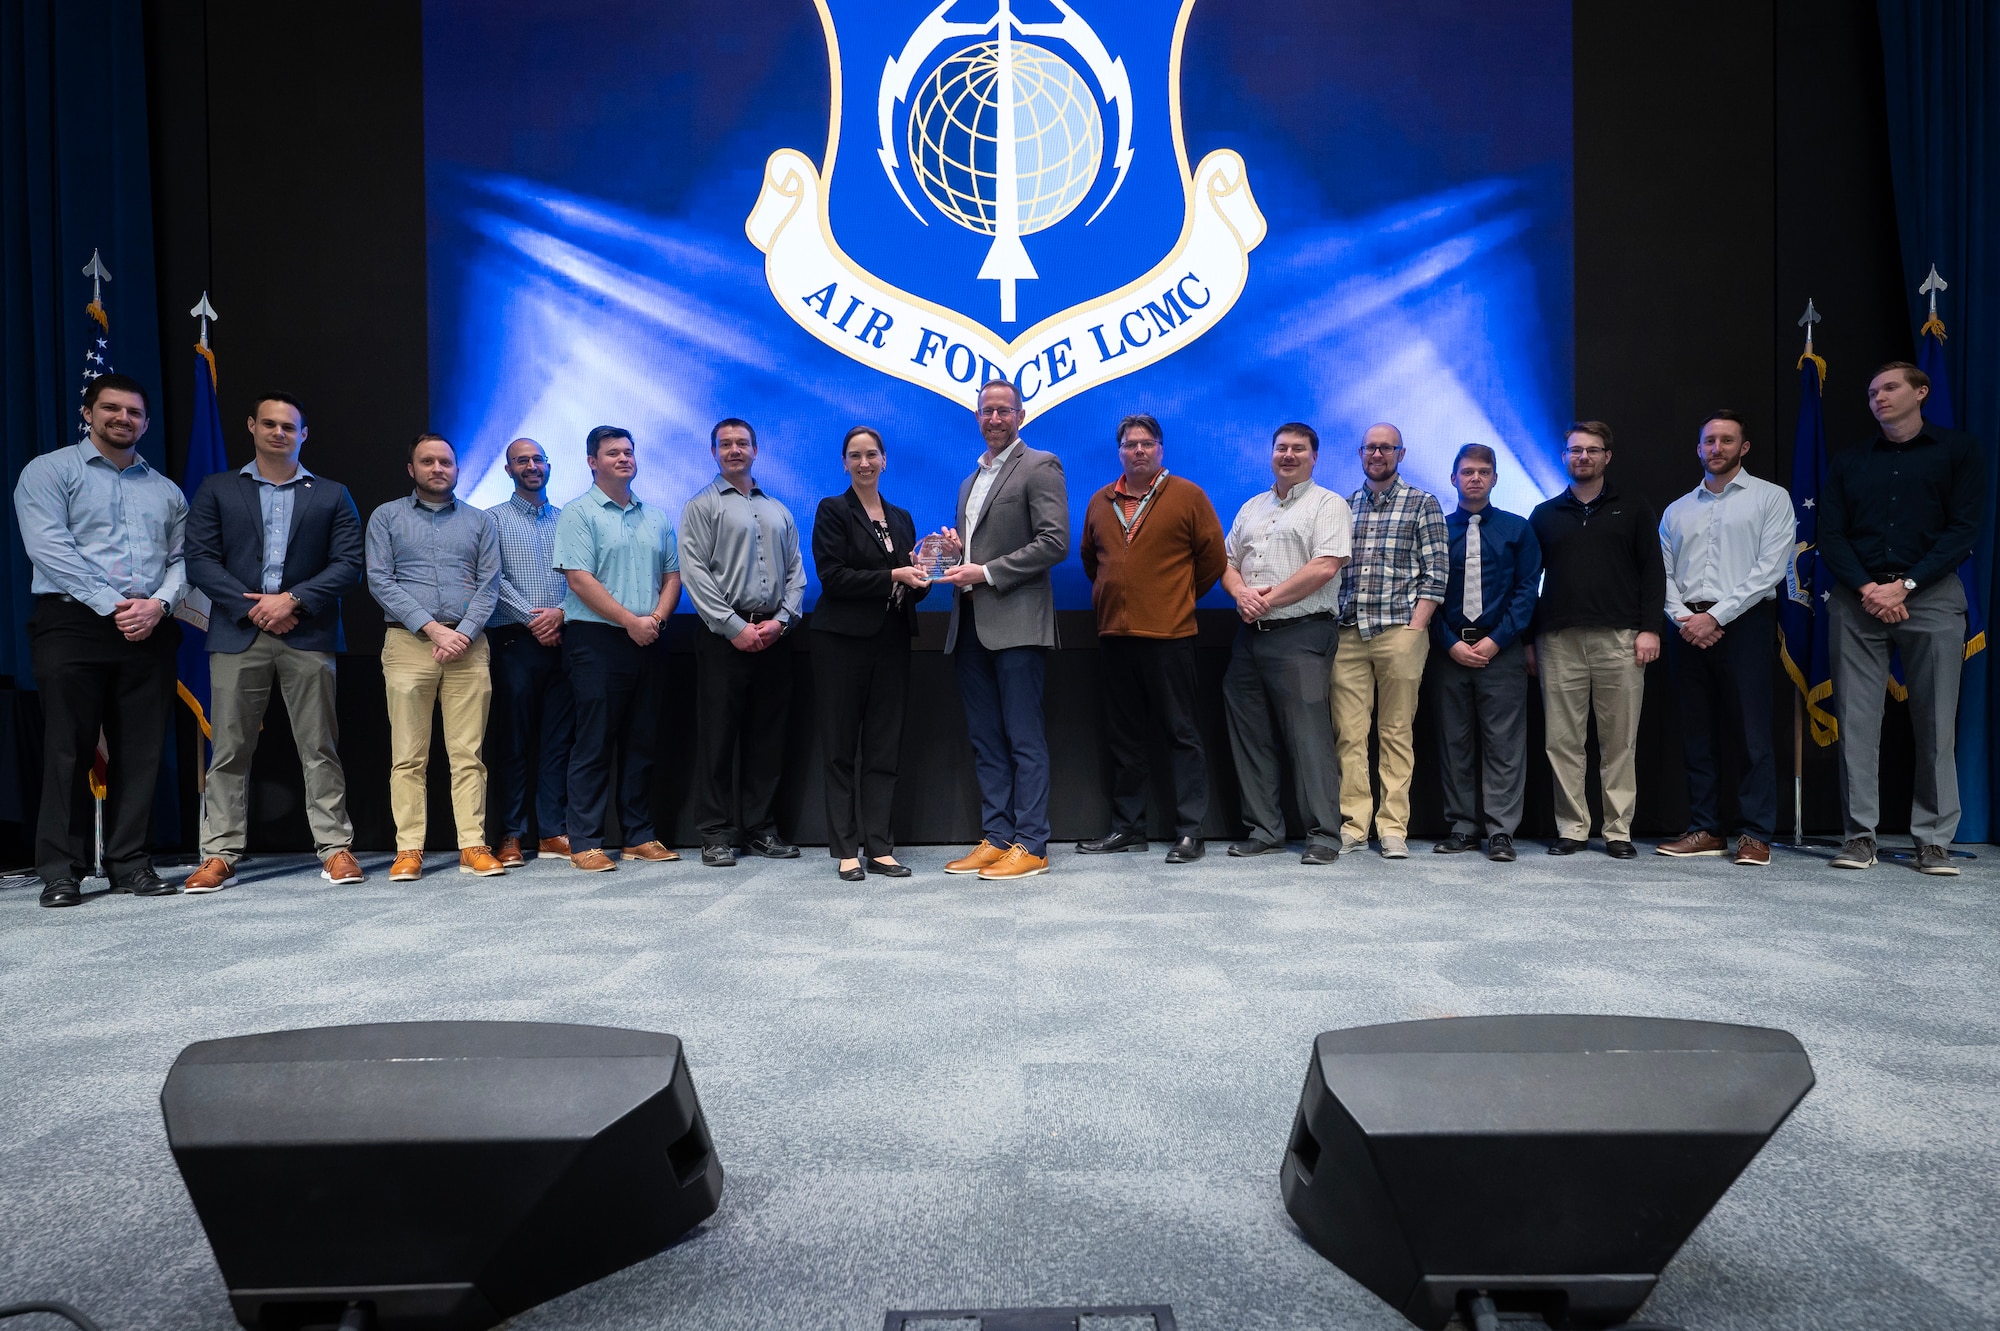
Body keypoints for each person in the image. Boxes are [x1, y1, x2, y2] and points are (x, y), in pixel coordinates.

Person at [13, 373, 186, 907]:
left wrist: (158, 604)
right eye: (111, 409)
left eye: (134, 412)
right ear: (87, 413)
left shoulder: (166, 490)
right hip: (73, 623)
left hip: (149, 626)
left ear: (146, 423)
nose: (123, 419)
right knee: (68, 747)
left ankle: (130, 862)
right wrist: (113, 605)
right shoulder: (48, 471)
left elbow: (180, 561)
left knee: (140, 751)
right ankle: (61, 869)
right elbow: (49, 547)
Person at [182, 392, 366, 893]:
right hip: (237, 635)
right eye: (269, 424)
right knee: (229, 750)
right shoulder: (218, 488)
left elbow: (349, 566)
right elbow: (199, 560)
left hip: (307, 632)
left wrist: (293, 601)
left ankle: (335, 848)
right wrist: (256, 607)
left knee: (319, 746)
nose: (279, 432)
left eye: (289, 426)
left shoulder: (332, 494)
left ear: (304, 434)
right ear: (252, 427)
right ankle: (219, 852)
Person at [1820, 362, 1985, 874]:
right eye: (1872, 392)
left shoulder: (1958, 451)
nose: (1879, 397)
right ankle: (1859, 838)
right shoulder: (1850, 461)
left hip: (1931, 596)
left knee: (1935, 721)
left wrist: (1906, 585)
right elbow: (1831, 534)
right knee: (1857, 722)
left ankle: (1932, 840)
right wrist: (1871, 588)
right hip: (1858, 598)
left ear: (1921, 392)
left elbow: (1964, 529)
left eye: (1890, 388)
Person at [935, 380, 1070, 882]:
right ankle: (997, 837)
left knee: (1023, 737)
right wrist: (954, 554)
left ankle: (1032, 843)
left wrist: (985, 571)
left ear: (1021, 414)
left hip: (1016, 622)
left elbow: (1054, 542)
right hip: (968, 622)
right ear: (976, 416)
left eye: (1003, 410)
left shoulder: (1040, 465)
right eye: (987, 411)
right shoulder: (971, 481)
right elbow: (973, 550)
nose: (995, 418)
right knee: (986, 739)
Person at [1075, 412, 1226, 863]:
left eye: (1146, 443)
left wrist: (1174, 598)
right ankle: (1128, 828)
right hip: (1115, 636)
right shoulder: (1101, 501)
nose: (1137, 451)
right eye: (1129, 444)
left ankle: (1190, 831)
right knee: (1124, 738)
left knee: (1182, 734)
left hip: (1170, 634)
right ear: (1119, 451)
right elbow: (1091, 561)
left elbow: (1213, 560)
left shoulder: (1188, 495)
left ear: (1160, 450)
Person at [1655, 411, 1793, 868]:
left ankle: (1754, 834)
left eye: (1727, 440)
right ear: (1698, 449)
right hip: (1686, 630)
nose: (1717, 448)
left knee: (1752, 732)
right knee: (1697, 732)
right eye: (1709, 441)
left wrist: (1715, 617)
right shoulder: (1677, 509)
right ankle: (1706, 829)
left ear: (1744, 447)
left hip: (1745, 623)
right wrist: (1683, 619)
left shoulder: (1771, 499)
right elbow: (1664, 573)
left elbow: (1770, 569)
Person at [365, 432, 504, 881]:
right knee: (408, 757)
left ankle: (473, 845)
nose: (437, 468)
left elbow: (490, 586)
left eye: (445, 461)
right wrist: (432, 628)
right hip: (408, 645)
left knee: (468, 755)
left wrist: (460, 634)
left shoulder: (481, 522)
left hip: (468, 646)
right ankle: (408, 849)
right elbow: (380, 580)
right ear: (412, 469)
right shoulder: (386, 517)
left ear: (457, 468)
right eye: (427, 462)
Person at [1528, 421, 1665, 858]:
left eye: (1592, 450)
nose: (1582, 457)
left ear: (1607, 456)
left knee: (1618, 740)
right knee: (1562, 740)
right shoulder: (1544, 514)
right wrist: (1529, 640)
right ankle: (1571, 827)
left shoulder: (1635, 508)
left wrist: (1650, 629)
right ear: (1564, 457)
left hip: (1621, 639)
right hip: (1558, 641)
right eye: (1574, 450)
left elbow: (1653, 572)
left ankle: (1618, 830)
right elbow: (1528, 582)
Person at [1219, 422, 1353, 865]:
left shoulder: (1328, 504)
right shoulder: (1252, 507)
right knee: (1250, 735)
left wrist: (1266, 600)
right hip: (1249, 638)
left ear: (1315, 456)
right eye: (1281, 448)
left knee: (1308, 739)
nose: (1289, 455)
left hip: (1303, 633)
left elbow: (1325, 567)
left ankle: (1323, 836)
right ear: (1271, 454)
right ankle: (1264, 829)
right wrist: (1240, 594)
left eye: (1299, 449)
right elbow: (1225, 562)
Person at [552, 426, 683, 872]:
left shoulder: (657, 516)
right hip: (596, 641)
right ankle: (585, 841)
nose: (623, 459)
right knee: (593, 743)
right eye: (612, 453)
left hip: (650, 636)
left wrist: (656, 621)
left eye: (628, 452)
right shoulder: (578, 513)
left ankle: (638, 836)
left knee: (641, 742)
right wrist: (632, 622)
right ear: (593, 462)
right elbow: (579, 580)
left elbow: (672, 575)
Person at [680, 418, 806, 867]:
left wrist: (782, 622)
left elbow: (796, 573)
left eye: (742, 443)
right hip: (722, 640)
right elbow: (694, 574)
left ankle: (760, 831)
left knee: (766, 740)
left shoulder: (778, 510)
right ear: (713, 451)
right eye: (725, 444)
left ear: (756, 449)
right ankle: (715, 834)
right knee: (718, 739)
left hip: (774, 636)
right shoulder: (701, 506)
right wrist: (735, 627)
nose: (734, 450)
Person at [810, 426, 934, 881]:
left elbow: (910, 588)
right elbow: (833, 578)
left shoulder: (901, 518)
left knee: (884, 746)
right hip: (840, 643)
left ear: (885, 460)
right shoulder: (833, 510)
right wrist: (893, 575)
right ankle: (845, 849)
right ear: (844, 462)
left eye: (872, 455)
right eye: (855, 456)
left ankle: (880, 846)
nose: (864, 463)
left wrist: (923, 576)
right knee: (841, 747)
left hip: (892, 640)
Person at [1333, 423, 1447, 858]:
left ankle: (1393, 827)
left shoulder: (1422, 503)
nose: (1377, 454)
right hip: (1348, 634)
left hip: (1400, 631)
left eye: (1386, 447)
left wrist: (1416, 627)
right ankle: (1354, 825)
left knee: (1396, 732)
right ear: (1360, 453)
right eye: (1370, 447)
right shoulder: (1343, 506)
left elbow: (1437, 573)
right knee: (1349, 734)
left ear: (1401, 453)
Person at [1428, 444, 1541, 863]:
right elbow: (1425, 593)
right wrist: (1450, 643)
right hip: (1448, 649)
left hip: (1502, 648)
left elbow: (1527, 590)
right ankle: (1462, 826)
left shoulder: (1518, 529)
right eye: (1467, 472)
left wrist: (1497, 640)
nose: (1475, 478)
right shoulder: (1437, 528)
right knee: (1453, 741)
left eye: (1483, 472)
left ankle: (1501, 831)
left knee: (1504, 743)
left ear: (1495, 479)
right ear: (1453, 478)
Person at [486, 437, 573, 867]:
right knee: (514, 743)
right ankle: (511, 835)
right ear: (509, 470)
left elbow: (582, 577)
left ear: (549, 465)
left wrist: (560, 613)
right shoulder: (491, 521)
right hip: (513, 642)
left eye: (538, 458)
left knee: (558, 743)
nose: (532, 465)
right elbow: (489, 580)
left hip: (564, 640)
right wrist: (535, 619)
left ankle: (554, 831)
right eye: (523, 460)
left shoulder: (569, 521)